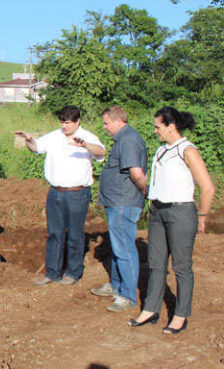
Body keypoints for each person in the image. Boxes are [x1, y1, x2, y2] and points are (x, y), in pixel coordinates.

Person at [129, 107, 215, 334]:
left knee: (181, 267)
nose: (155, 130)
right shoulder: (160, 151)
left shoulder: (187, 150)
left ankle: (180, 314)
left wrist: (202, 216)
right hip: (158, 212)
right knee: (156, 264)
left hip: (181, 213)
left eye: (158, 126)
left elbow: (207, 188)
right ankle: (150, 309)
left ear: (171, 126)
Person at [15, 106, 105, 285]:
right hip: (55, 192)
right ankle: (52, 272)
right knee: (54, 233)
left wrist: (85, 145)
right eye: (62, 122)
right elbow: (37, 148)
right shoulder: (54, 136)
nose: (65, 126)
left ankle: (73, 272)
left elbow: (101, 152)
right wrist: (29, 140)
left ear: (78, 121)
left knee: (74, 234)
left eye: (68, 123)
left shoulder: (88, 137)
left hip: (77, 193)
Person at [90, 106, 147, 312]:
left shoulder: (129, 140)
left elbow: (137, 173)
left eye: (106, 123)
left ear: (118, 121)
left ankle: (128, 296)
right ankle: (116, 286)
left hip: (124, 202)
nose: (104, 127)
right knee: (117, 246)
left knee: (124, 249)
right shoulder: (123, 140)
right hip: (117, 201)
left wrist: (144, 191)